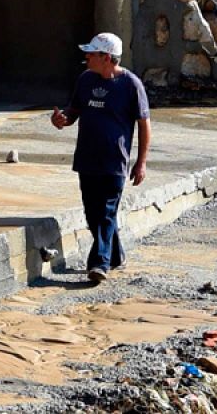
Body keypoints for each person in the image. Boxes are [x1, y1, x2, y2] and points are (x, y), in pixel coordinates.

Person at [50, 33, 151, 284]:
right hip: (87, 158)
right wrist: (62, 119)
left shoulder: (131, 85)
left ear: (106, 58)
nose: (87, 57)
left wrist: (141, 162)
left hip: (114, 161)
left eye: (92, 54)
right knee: (93, 214)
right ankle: (115, 254)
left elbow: (144, 124)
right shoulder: (85, 80)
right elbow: (74, 111)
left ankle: (99, 263)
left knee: (106, 211)